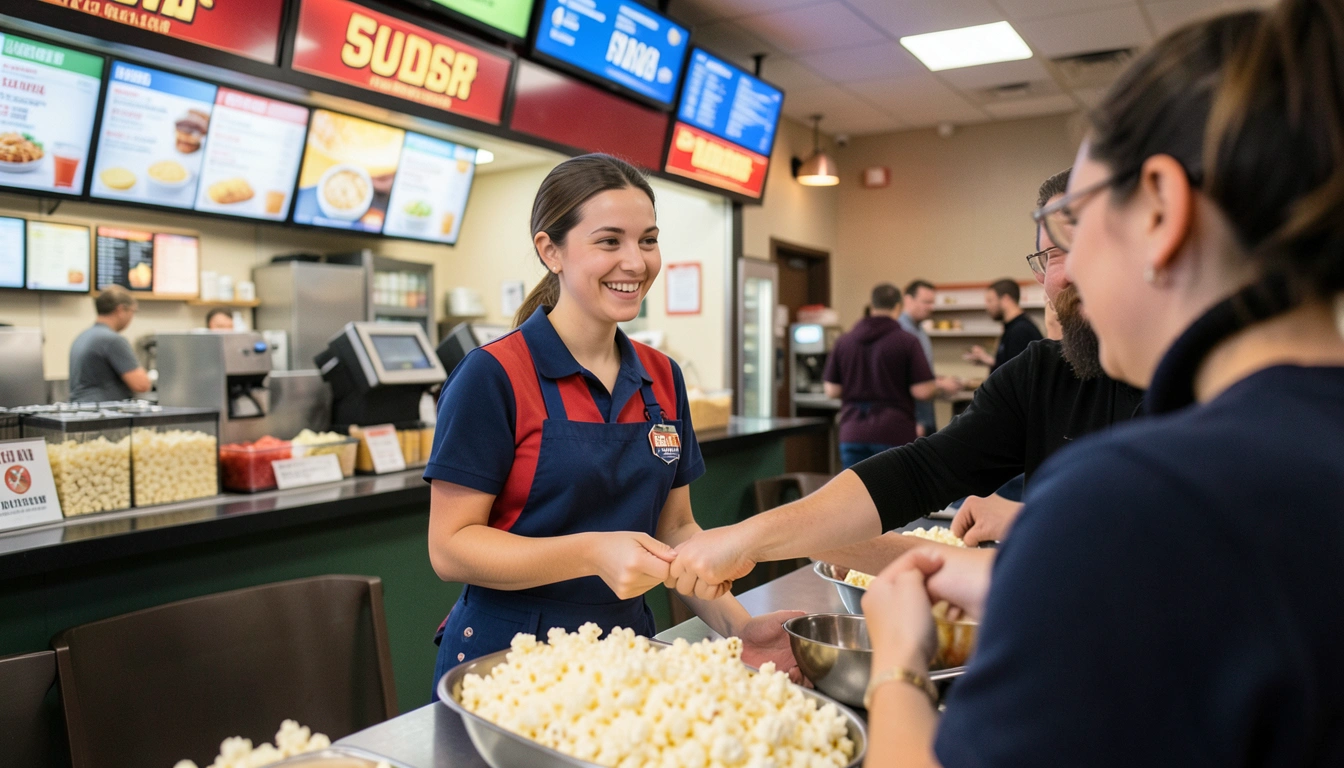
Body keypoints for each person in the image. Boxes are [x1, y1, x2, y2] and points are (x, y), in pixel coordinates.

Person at [866, 4, 1344, 764]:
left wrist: (897, 664)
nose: (1068, 275)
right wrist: (1052, 586)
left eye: (1076, 223)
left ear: (1161, 207)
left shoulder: (1138, 494)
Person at [664, 165, 1145, 597]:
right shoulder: (1041, 372)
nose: (1071, 272)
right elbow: (919, 472)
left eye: (1091, 243)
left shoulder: (1203, 386)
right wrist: (754, 536)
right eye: (1053, 254)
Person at [423, 154, 800, 694]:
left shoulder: (662, 377)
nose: (635, 261)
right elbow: (450, 547)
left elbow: (674, 532)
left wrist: (740, 629)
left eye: (648, 240)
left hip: (626, 654)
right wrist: (592, 552)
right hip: (506, 664)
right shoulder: (494, 375)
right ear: (549, 250)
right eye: (609, 241)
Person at [823, 283, 936, 468]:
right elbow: (922, 391)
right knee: (894, 494)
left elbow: (832, 390)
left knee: (855, 494)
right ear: (899, 306)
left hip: (852, 432)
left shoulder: (844, 341)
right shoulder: (907, 341)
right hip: (894, 432)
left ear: (872, 305)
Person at [899, 279, 961, 436]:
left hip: (925, 412)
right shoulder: (901, 333)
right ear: (908, 299)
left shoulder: (920, 330)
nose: (930, 307)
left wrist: (938, 381)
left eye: (932, 303)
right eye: (925, 302)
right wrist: (941, 385)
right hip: (911, 418)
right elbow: (903, 380)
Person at [68, 286, 151, 403]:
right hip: (103, 414)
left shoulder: (83, 337)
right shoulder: (112, 340)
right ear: (121, 310)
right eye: (133, 311)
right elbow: (141, 385)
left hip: (82, 410)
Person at [963, 279, 1041, 372]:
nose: (987, 306)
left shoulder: (1020, 330)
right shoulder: (1012, 327)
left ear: (1006, 299)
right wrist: (987, 360)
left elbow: (1015, 375)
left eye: (990, 301)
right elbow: (1008, 365)